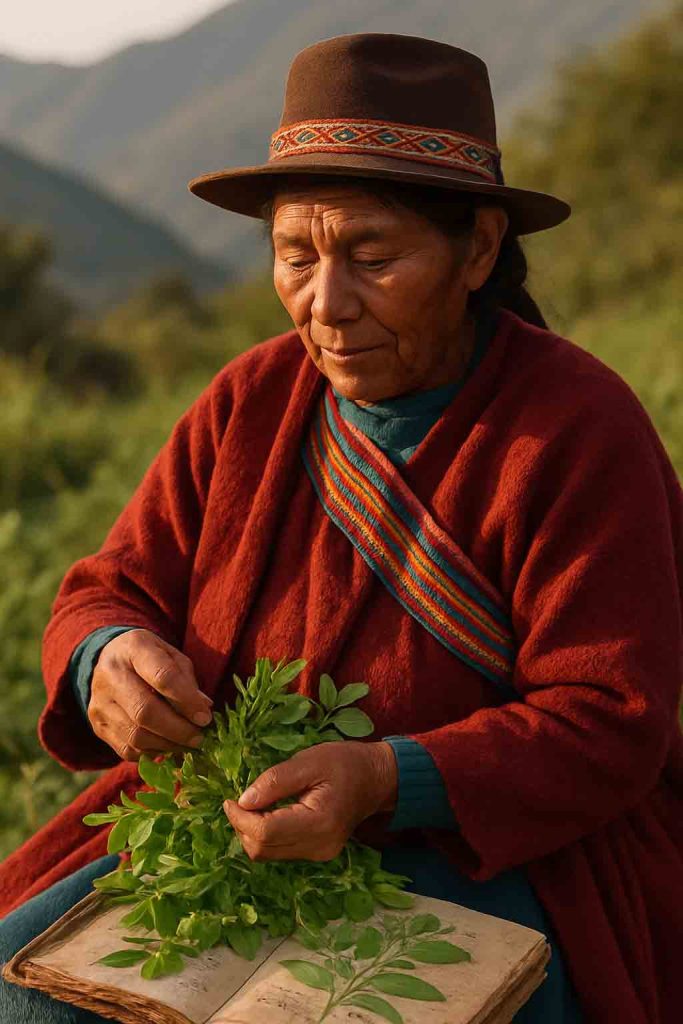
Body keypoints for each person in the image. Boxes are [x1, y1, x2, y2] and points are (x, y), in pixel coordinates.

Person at [1, 33, 681, 1024]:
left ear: (478, 248)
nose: (325, 305)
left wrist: (379, 777)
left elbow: (609, 716)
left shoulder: (575, 429)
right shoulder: (250, 400)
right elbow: (109, 586)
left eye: (372, 257)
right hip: (227, 832)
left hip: (485, 850)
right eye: (294, 255)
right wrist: (108, 657)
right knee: (37, 1003)